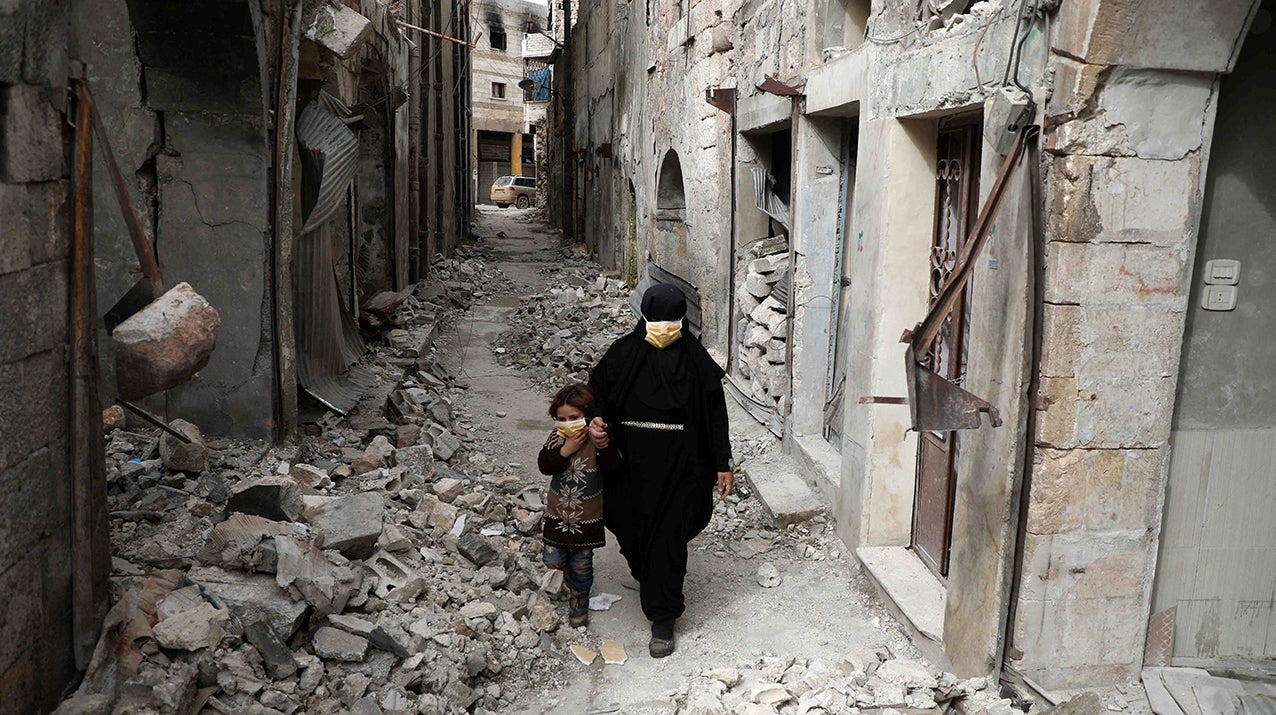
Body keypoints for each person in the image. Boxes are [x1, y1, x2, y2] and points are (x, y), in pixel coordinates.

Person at [587, 283, 733, 657]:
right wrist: (596, 423)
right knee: (630, 529)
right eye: (658, 320)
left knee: (668, 541)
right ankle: (646, 572)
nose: (664, 326)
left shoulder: (696, 361)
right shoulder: (623, 355)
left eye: (672, 320)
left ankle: (663, 619)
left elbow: (716, 415)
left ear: (682, 320)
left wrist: (721, 464)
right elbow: (596, 397)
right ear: (645, 317)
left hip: (681, 469)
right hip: (629, 467)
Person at [536, 383, 620, 627]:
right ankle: (571, 581)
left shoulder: (597, 439)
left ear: (587, 414)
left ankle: (579, 604)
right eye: (562, 418)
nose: (568, 423)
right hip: (557, 514)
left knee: (582, 565)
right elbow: (544, 465)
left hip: (587, 517)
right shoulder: (557, 437)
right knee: (553, 560)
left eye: (574, 417)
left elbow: (613, 464)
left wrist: (603, 443)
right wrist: (565, 450)